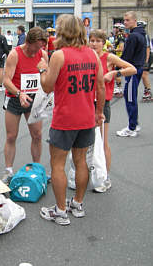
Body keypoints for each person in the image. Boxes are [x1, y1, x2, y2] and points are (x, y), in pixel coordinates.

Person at [38, 14, 105, 225]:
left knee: (57, 164)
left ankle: (60, 210)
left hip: (65, 118)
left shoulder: (59, 55)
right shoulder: (93, 55)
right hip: (86, 116)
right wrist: (98, 112)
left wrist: (42, 68)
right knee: (81, 161)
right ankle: (77, 204)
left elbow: (47, 86)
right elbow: (101, 86)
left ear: (63, 31)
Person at [89, 29, 136, 192]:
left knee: (102, 142)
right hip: (86, 103)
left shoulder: (108, 57)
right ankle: (84, 175)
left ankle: (105, 176)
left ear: (104, 42)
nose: (94, 44)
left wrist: (114, 72)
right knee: (84, 142)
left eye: (97, 41)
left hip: (102, 103)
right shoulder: (88, 55)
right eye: (91, 40)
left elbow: (132, 69)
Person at [1, 27, 48, 184]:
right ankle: (8, 171)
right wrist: (19, 93)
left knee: (37, 135)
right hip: (15, 98)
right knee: (11, 136)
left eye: (41, 47)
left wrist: (44, 69)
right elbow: (6, 80)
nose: (38, 50)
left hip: (34, 99)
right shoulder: (15, 54)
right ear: (29, 42)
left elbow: (46, 79)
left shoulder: (42, 55)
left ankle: (37, 168)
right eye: (36, 46)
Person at [116, 11, 146, 137]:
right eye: (124, 20)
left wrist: (117, 67)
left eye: (127, 20)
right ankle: (134, 124)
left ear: (134, 20)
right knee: (131, 97)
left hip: (132, 69)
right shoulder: (141, 34)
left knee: (130, 98)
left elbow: (127, 56)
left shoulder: (133, 36)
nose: (125, 22)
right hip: (137, 68)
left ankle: (132, 127)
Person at [137, 21, 152, 101]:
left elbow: (147, 48)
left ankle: (148, 92)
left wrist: (146, 61)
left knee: (144, 74)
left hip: (148, 56)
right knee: (143, 75)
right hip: (144, 56)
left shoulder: (145, 35)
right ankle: (147, 90)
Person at [113, 23, 126, 96]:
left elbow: (121, 48)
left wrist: (112, 50)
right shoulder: (117, 37)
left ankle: (119, 89)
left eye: (115, 28)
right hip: (117, 57)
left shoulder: (121, 37)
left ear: (119, 29)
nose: (114, 29)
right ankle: (119, 88)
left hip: (119, 57)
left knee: (117, 73)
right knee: (116, 73)